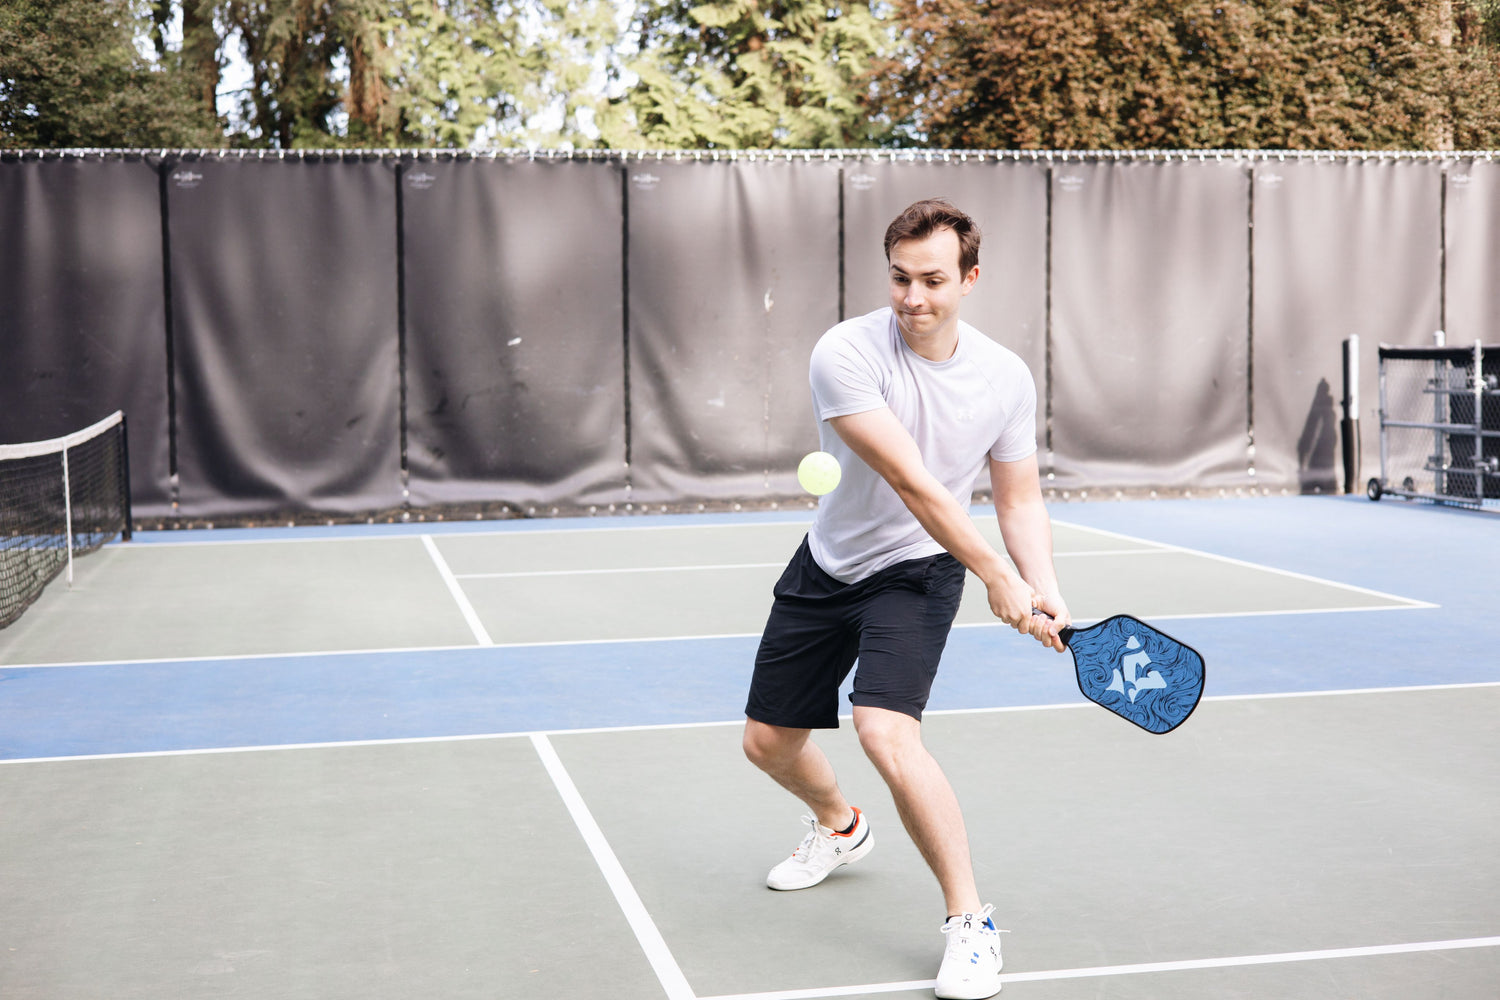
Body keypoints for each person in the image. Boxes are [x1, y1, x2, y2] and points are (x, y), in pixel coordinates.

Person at [742, 198, 1071, 1000]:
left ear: (969, 279)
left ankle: (970, 924)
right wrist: (998, 575)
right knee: (766, 744)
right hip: (830, 562)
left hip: (919, 572)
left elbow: (1019, 497)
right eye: (899, 278)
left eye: (932, 280)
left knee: (885, 732)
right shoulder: (845, 352)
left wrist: (1044, 588)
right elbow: (912, 480)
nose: (912, 298)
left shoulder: (1003, 378)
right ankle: (842, 828)